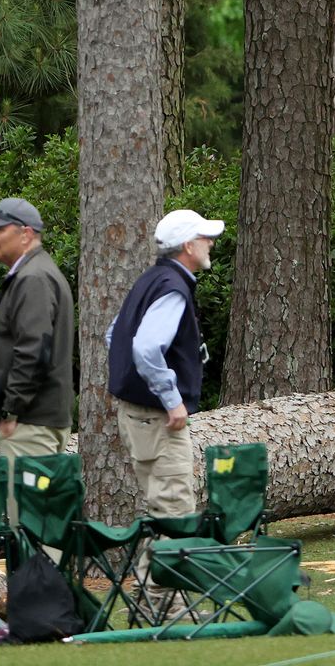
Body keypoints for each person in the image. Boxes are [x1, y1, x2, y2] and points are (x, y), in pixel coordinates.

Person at [0, 198, 74, 526]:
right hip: (37, 419)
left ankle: (34, 580)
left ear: (26, 233)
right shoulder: (35, 273)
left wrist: (12, 409)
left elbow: (33, 350)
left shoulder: (33, 278)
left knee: (28, 527)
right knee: (41, 524)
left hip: (30, 422)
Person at [107, 209, 224, 521]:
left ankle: (150, 573)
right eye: (204, 237)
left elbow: (113, 335)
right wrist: (171, 400)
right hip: (158, 420)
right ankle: (161, 572)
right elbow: (145, 348)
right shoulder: (173, 288)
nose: (210, 243)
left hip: (139, 416)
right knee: (174, 514)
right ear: (187, 245)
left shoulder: (150, 280)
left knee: (163, 512)